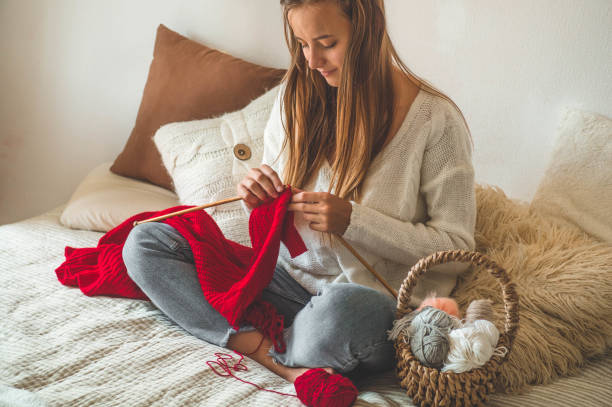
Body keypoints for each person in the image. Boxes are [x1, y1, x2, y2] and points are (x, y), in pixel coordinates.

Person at [122, 0, 475, 393]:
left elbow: (457, 249)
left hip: (364, 302)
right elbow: (280, 212)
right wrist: (257, 195)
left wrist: (355, 222)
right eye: (303, 43)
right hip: (284, 282)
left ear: (369, 30)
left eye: (326, 43)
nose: (312, 61)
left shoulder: (434, 121)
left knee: (342, 311)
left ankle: (269, 336)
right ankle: (269, 355)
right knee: (146, 241)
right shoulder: (296, 94)